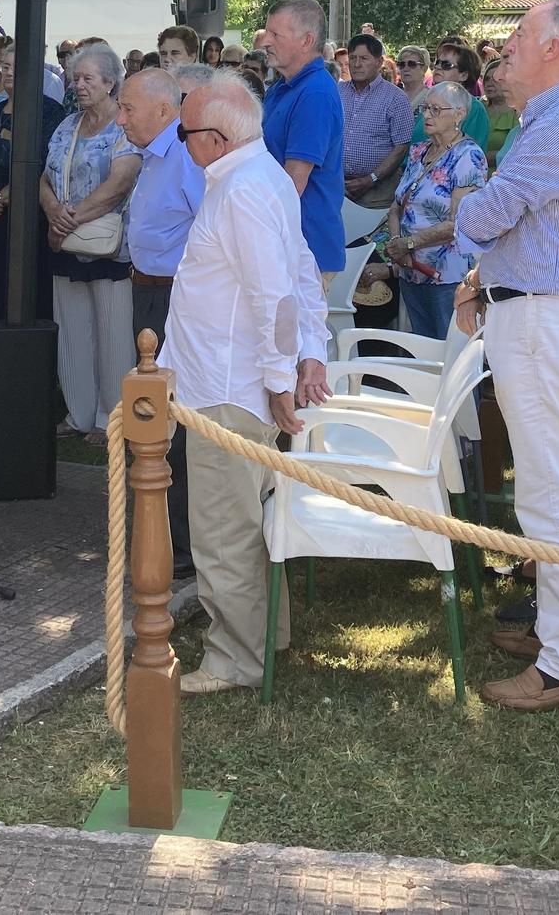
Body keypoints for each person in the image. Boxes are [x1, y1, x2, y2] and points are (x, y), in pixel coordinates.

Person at [452, 0, 559, 712]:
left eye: (519, 36)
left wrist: (467, 205)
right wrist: (480, 276)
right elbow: (513, 231)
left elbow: (487, 215)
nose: (504, 50)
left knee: (550, 495)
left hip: (545, 323)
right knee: (546, 490)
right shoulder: (555, 119)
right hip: (536, 316)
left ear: (555, 48)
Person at [159, 72, 329, 695]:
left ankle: (236, 658)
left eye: (183, 133)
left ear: (214, 139)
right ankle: (262, 635)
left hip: (227, 389)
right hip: (229, 382)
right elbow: (298, 272)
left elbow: (274, 292)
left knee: (222, 531)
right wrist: (304, 353)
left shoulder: (244, 190)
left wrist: (286, 373)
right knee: (241, 525)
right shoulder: (258, 180)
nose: (181, 143)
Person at [119, 66, 206, 579]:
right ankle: (160, 529)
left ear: (164, 110)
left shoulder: (184, 157)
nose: (122, 118)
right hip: (148, 291)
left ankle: (182, 544)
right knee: (151, 413)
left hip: (176, 297)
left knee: (172, 419)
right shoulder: (155, 156)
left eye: (130, 108)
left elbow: (207, 229)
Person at [42, 43, 141, 445]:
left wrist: (70, 218)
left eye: (86, 78)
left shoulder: (124, 126)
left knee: (113, 336)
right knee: (72, 333)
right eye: (74, 77)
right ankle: (78, 412)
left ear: (110, 82)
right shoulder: (67, 125)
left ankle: (111, 419)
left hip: (108, 246)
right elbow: (44, 177)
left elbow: (121, 182)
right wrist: (53, 213)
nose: (77, 85)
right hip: (65, 242)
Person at [0, 47, 66, 320]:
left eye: (13, 67)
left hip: (26, 221)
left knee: (29, 298)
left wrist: (1, 196)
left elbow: (43, 163)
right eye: (4, 66)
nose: (5, 72)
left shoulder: (49, 112)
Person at [383, 81, 489, 341]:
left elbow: (459, 223)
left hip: (447, 274)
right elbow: (397, 205)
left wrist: (408, 243)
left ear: (459, 115)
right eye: (424, 108)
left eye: (435, 109)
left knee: (450, 351)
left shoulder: (469, 156)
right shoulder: (419, 151)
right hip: (411, 269)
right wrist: (398, 244)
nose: (427, 115)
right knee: (421, 347)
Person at [259, 0, 346, 280]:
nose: (265, 42)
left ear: (306, 40)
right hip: (283, 244)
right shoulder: (284, 87)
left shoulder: (315, 93)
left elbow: (293, 182)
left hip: (303, 251)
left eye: (275, 34)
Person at [338, 33, 413, 209]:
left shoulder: (395, 98)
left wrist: (371, 178)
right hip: (338, 188)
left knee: (370, 236)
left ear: (379, 62)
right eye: (353, 58)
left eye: (364, 58)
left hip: (377, 194)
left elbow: (401, 146)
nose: (357, 64)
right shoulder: (337, 91)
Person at [481, 59, 519, 166]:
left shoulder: (520, 112)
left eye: (495, 79)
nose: (489, 83)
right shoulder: (478, 109)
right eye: (487, 79)